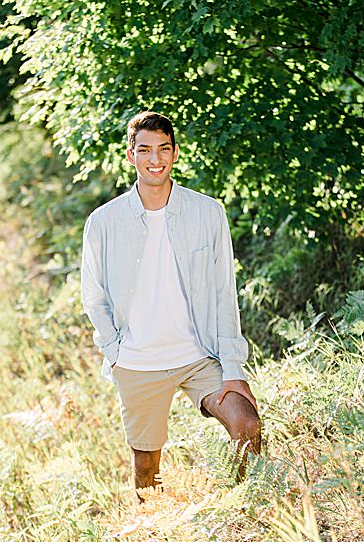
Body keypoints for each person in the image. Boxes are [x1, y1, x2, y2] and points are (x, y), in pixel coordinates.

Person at [80, 111, 262, 497]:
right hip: (137, 362)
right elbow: (94, 296)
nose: (155, 159)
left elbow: (223, 295)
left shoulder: (207, 213)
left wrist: (232, 367)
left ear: (175, 153)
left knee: (246, 424)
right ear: (131, 156)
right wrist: (114, 351)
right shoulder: (103, 222)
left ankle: (246, 509)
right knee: (146, 471)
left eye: (163, 149)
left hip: (198, 356)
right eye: (144, 150)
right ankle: (151, 526)